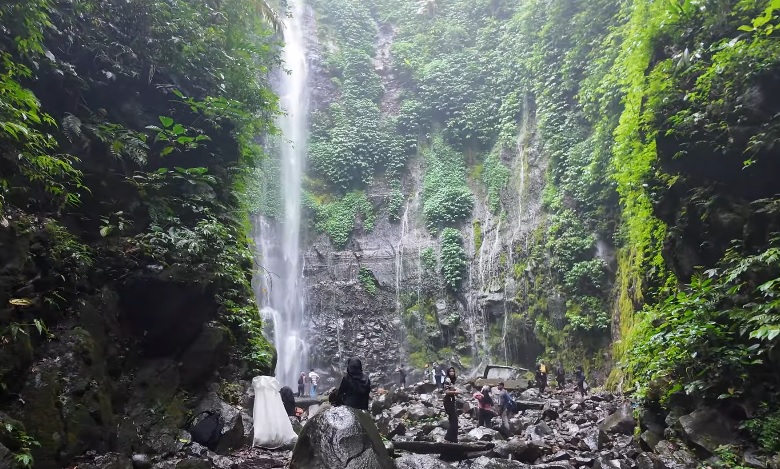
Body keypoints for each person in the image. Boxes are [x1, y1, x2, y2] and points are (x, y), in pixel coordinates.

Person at [443, 367, 460, 443]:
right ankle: (450, 437)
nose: (452, 373)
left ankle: (451, 437)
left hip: (451, 400)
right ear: (448, 372)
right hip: (448, 401)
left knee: (453, 420)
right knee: (454, 420)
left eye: (453, 371)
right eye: (450, 371)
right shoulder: (447, 380)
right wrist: (456, 392)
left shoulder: (451, 380)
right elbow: (446, 391)